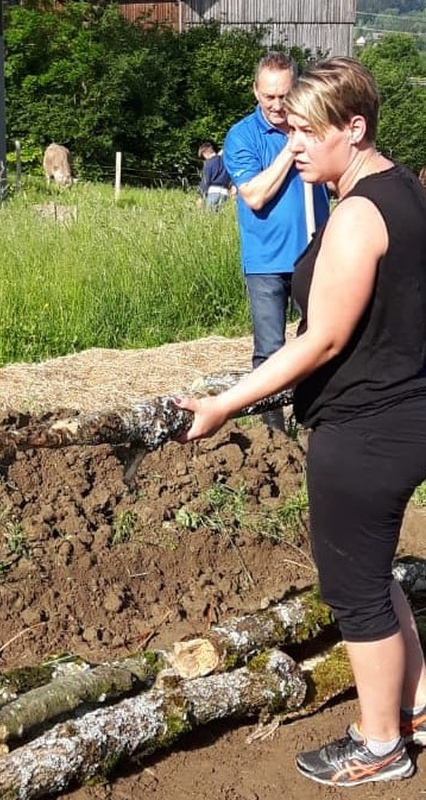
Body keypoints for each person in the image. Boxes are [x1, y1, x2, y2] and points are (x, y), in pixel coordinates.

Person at [175, 56, 426, 788]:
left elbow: (320, 339)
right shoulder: (403, 189)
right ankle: (414, 706)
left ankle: (380, 745)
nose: (296, 145)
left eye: (310, 131)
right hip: (405, 410)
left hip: (365, 433)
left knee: (353, 590)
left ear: (354, 128)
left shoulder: (355, 215)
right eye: (289, 129)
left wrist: (225, 402)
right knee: (376, 578)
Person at [223, 51, 330, 432]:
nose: (277, 105)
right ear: (256, 91)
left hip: (315, 255)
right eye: (268, 96)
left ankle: (317, 422)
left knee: (321, 343)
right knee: (270, 351)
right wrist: (292, 147)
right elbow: (254, 195)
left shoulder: (314, 126)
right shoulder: (242, 137)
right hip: (266, 261)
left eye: (284, 95)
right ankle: (273, 435)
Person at [197, 141, 233, 209]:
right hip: (225, 193)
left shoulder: (208, 163)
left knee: (210, 217)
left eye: (203, 156)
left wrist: (200, 196)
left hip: (213, 192)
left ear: (205, 153)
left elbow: (206, 181)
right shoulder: (225, 162)